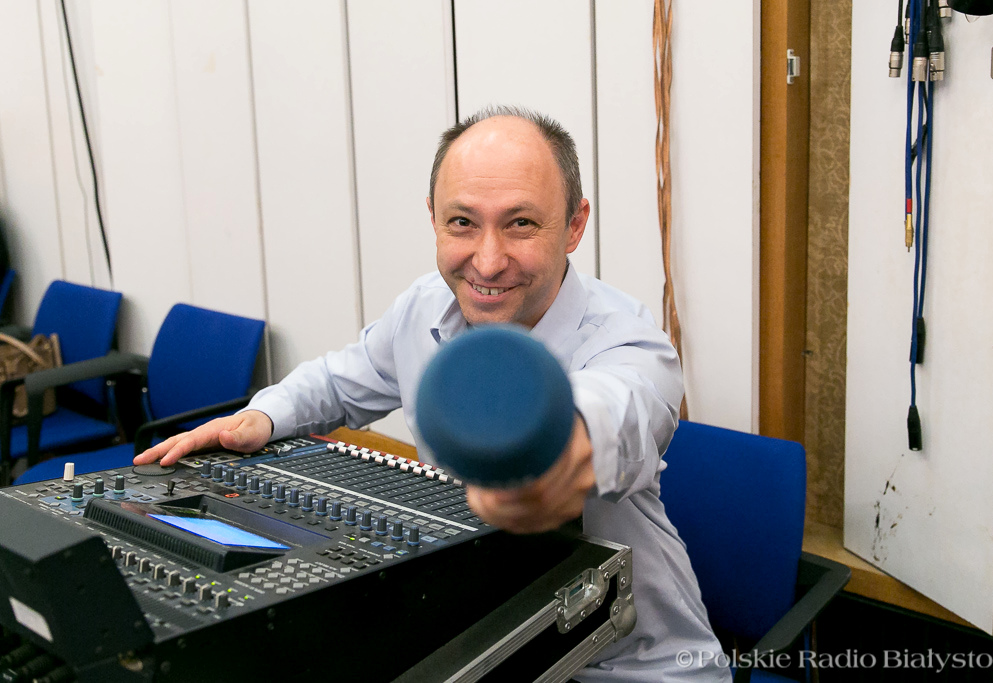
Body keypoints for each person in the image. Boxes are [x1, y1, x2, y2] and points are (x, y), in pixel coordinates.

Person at [136, 106, 730, 681]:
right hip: (483, 633)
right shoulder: (424, 306)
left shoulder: (632, 344)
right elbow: (340, 379)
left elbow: (617, 411)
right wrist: (262, 417)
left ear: (575, 225)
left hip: (632, 666)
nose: (488, 262)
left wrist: (557, 449)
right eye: (462, 222)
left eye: (521, 223)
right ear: (433, 218)